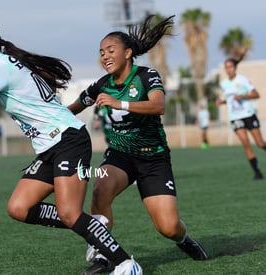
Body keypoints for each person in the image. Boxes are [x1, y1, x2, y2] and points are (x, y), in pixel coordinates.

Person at [0, 25, 142, 275]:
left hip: (68, 140)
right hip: (51, 145)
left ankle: (126, 264)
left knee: (70, 214)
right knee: (19, 207)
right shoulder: (9, 62)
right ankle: (93, 225)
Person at [68, 14, 208, 274]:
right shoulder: (101, 85)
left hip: (153, 158)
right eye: (101, 52)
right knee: (101, 188)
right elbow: (72, 108)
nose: (104, 56)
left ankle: (184, 240)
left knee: (168, 227)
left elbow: (159, 106)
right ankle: (102, 254)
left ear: (128, 53)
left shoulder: (146, 76)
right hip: (120, 155)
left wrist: (118, 103)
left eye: (111, 50)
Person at [217, 57, 266, 180]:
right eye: (226, 67)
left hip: (249, 114)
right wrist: (222, 101)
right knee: (245, 142)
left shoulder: (242, 80)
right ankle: (257, 172)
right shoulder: (224, 84)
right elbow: (230, 100)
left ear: (235, 68)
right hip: (235, 117)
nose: (228, 69)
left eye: (230, 66)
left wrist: (243, 96)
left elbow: (256, 94)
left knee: (260, 143)